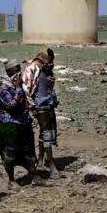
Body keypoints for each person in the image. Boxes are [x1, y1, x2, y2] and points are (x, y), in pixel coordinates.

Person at [0, 59, 48, 189]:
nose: (19, 72)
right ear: (9, 72)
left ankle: (34, 175)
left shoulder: (19, 85)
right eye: (16, 70)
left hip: (23, 123)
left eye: (19, 69)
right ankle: (11, 180)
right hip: (9, 125)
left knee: (28, 151)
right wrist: (18, 89)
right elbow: (11, 105)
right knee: (10, 153)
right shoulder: (3, 88)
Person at [22, 48, 62, 178]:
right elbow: (26, 89)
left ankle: (40, 161)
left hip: (48, 104)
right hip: (41, 106)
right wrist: (32, 106)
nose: (51, 64)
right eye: (49, 61)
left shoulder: (44, 71)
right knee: (46, 135)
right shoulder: (32, 69)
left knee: (46, 134)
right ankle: (51, 164)